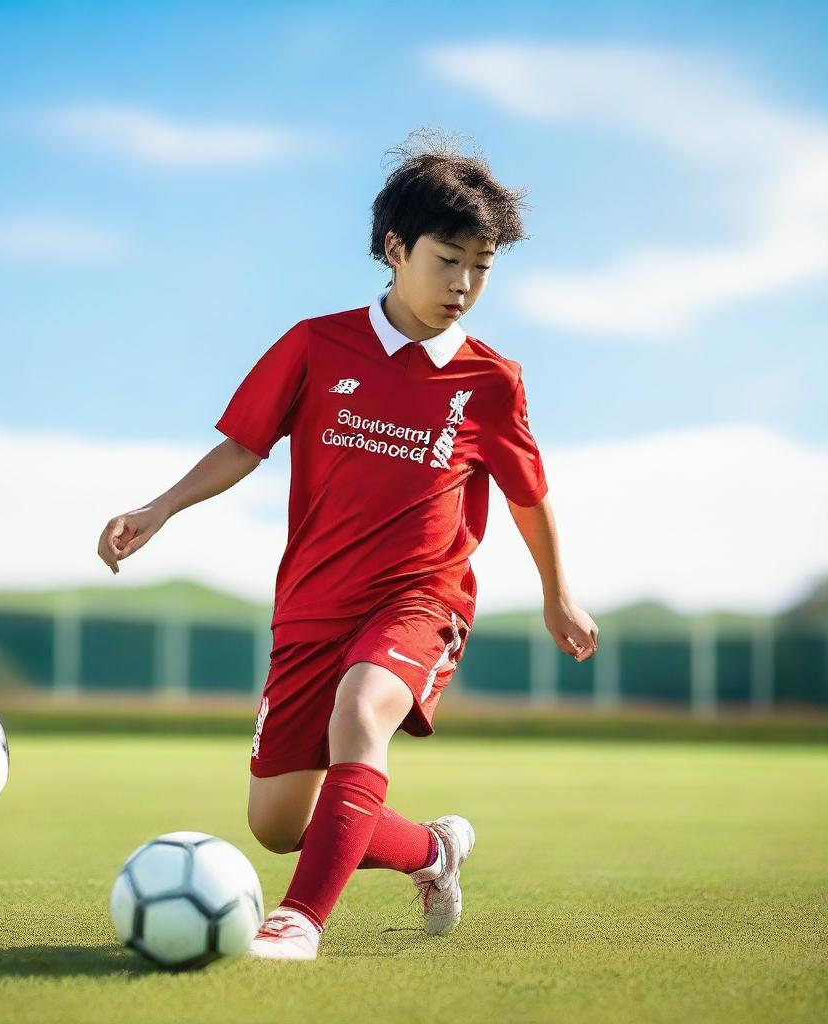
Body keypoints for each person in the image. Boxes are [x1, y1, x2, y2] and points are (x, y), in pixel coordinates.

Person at [96, 128, 598, 961]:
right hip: (310, 606)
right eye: (449, 259)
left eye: (483, 266)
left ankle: (296, 925)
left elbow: (527, 493)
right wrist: (159, 509)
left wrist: (557, 592)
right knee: (277, 824)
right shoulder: (314, 344)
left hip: (420, 602)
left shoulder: (491, 381)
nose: (465, 285)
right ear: (395, 249)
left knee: (362, 711)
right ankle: (431, 853)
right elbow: (243, 446)